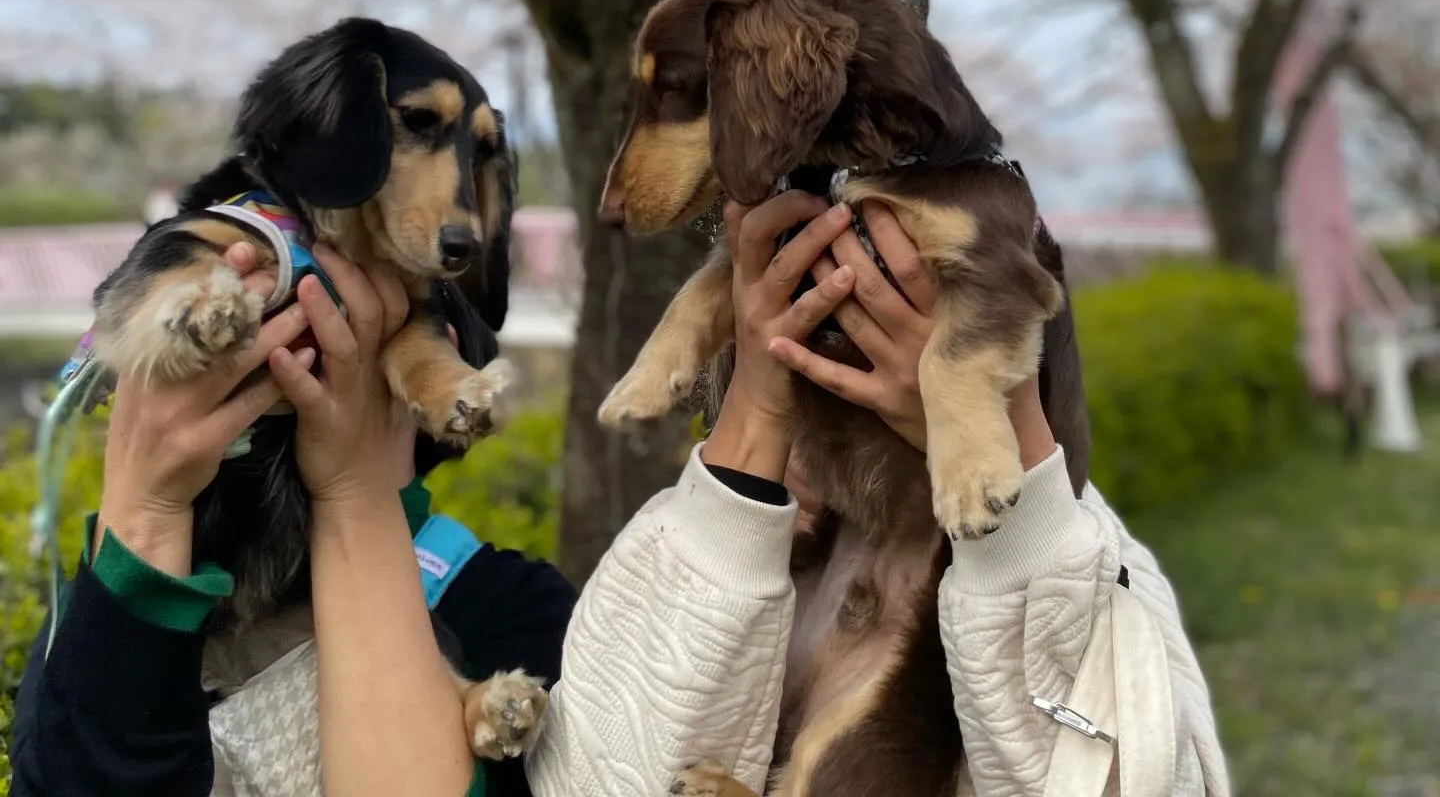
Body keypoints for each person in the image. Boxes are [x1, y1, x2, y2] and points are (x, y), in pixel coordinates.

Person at [14, 201, 1227, 796]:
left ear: (438, 373)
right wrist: (145, 511)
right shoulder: (129, 612)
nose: (286, 350)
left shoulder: (513, 620)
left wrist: (993, 440)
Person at [522, 194, 1230, 797]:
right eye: (800, 372)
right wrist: (748, 449)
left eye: (870, 373)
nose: (837, 421)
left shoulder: (1088, 562)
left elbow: (1140, 771)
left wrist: (994, 444)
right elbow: (595, 773)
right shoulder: (691, 547)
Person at [9, 241, 576, 797]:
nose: (275, 368)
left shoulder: (504, 605)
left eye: (329, 336)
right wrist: (145, 510)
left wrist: (353, 491)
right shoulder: (103, 612)